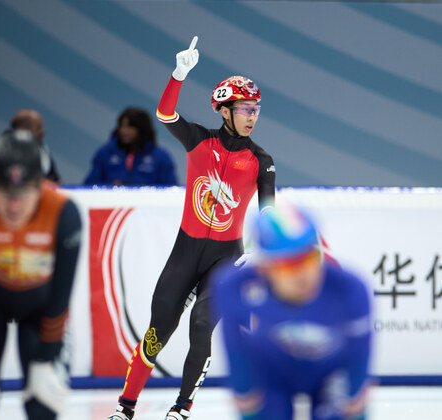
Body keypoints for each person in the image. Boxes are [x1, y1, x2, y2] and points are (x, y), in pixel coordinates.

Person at [108, 36, 276, 420]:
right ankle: (125, 407)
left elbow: (268, 210)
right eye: (245, 108)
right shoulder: (199, 140)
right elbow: (166, 114)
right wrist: (177, 75)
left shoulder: (261, 159)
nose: (252, 116)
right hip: (185, 253)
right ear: (224, 111)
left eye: (256, 109)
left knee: (201, 327)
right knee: (156, 335)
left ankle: (181, 408)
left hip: (225, 258)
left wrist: (261, 247)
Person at [0, 129, 82, 420]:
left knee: (43, 406)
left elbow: (62, 295)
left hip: (42, 307)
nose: (14, 205)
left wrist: (46, 359)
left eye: (23, 194)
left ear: (41, 184)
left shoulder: (64, 213)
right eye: (5, 193)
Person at [211, 204, 372, 420]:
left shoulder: (349, 289)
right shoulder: (234, 287)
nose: (302, 274)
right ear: (264, 268)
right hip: (272, 374)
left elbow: (359, 350)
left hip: (331, 374)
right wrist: (244, 391)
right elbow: (234, 344)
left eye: (308, 258)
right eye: (288, 265)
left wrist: (354, 392)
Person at [84, 106, 178, 186]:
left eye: (129, 127)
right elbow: (89, 186)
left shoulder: (161, 157)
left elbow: (171, 190)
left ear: (141, 129)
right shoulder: (105, 153)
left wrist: (144, 190)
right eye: (122, 126)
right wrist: (110, 187)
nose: (123, 131)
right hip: (111, 205)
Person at [10, 109, 61, 183]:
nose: (43, 132)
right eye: (38, 128)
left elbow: (56, 183)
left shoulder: (43, 152)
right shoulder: (0, 152)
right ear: (24, 129)